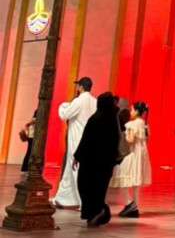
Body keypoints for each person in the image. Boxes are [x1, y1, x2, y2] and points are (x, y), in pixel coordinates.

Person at [73, 91, 121, 227]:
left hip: (90, 162)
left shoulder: (95, 119)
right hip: (106, 164)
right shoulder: (114, 120)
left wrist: (77, 156)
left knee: (85, 186)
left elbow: (86, 139)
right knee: (99, 189)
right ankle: (96, 212)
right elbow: (116, 141)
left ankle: (94, 212)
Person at [51, 77, 97, 209]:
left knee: (77, 170)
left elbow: (65, 114)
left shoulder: (79, 101)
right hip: (89, 140)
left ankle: (84, 202)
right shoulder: (95, 101)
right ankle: (63, 198)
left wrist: (63, 105)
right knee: (71, 170)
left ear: (81, 87)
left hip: (77, 140)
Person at [110, 101, 151, 217]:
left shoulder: (132, 124)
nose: (131, 112)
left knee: (122, 176)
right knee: (136, 182)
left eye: (132, 110)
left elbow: (131, 140)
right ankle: (135, 205)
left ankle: (129, 202)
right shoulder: (144, 124)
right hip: (141, 154)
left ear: (137, 111)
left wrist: (125, 135)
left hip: (132, 153)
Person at [19, 108, 37, 177]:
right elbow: (33, 120)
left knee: (30, 152)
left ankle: (26, 169)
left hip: (33, 135)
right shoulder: (38, 112)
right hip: (32, 136)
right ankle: (24, 169)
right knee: (29, 151)